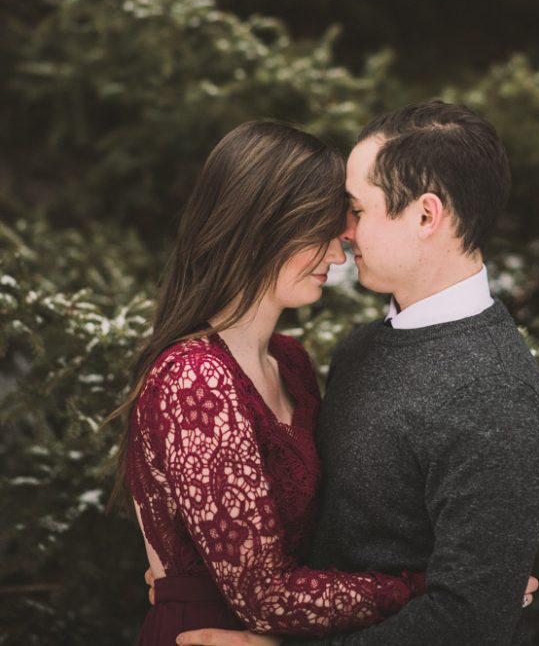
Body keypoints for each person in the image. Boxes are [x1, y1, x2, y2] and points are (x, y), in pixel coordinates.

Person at [174, 100, 539, 646]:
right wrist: (198, 575)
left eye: (357, 209)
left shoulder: (496, 398)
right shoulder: (363, 349)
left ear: (427, 216)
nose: (343, 231)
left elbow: (466, 623)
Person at [114, 120, 428, 646]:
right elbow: (266, 598)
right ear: (265, 227)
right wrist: (431, 588)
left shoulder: (291, 362)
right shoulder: (197, 382)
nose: (338, 253)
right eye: (321, 230)